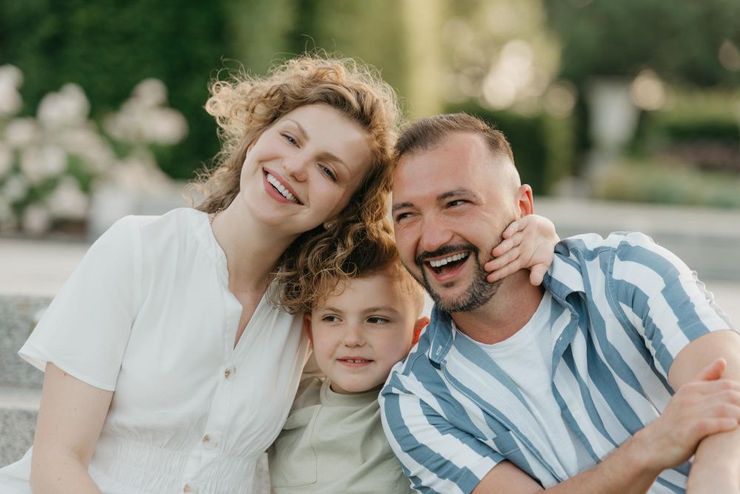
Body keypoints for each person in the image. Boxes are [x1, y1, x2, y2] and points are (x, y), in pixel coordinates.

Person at [0, 55, 404, 494]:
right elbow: (58, 462)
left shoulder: (311, 313)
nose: (295, 166)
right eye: (290, 138)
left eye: (328, 170)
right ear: (256, 138)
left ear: (341, 210)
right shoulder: (138, 251)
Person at [380, 113, 740, 494]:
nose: (432, 238)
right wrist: (649, 448)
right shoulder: (417, 400)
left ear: (522, 207)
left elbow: (728, 392)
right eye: (407, 215)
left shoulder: (626, 273)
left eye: (456, 203)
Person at [268, 217, 559, 494]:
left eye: (377, 320)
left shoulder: (425, 405)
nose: (352, 339)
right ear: (310, 328)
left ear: (419, 333)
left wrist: (540, 233)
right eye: (332, 318)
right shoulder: (286, 403)